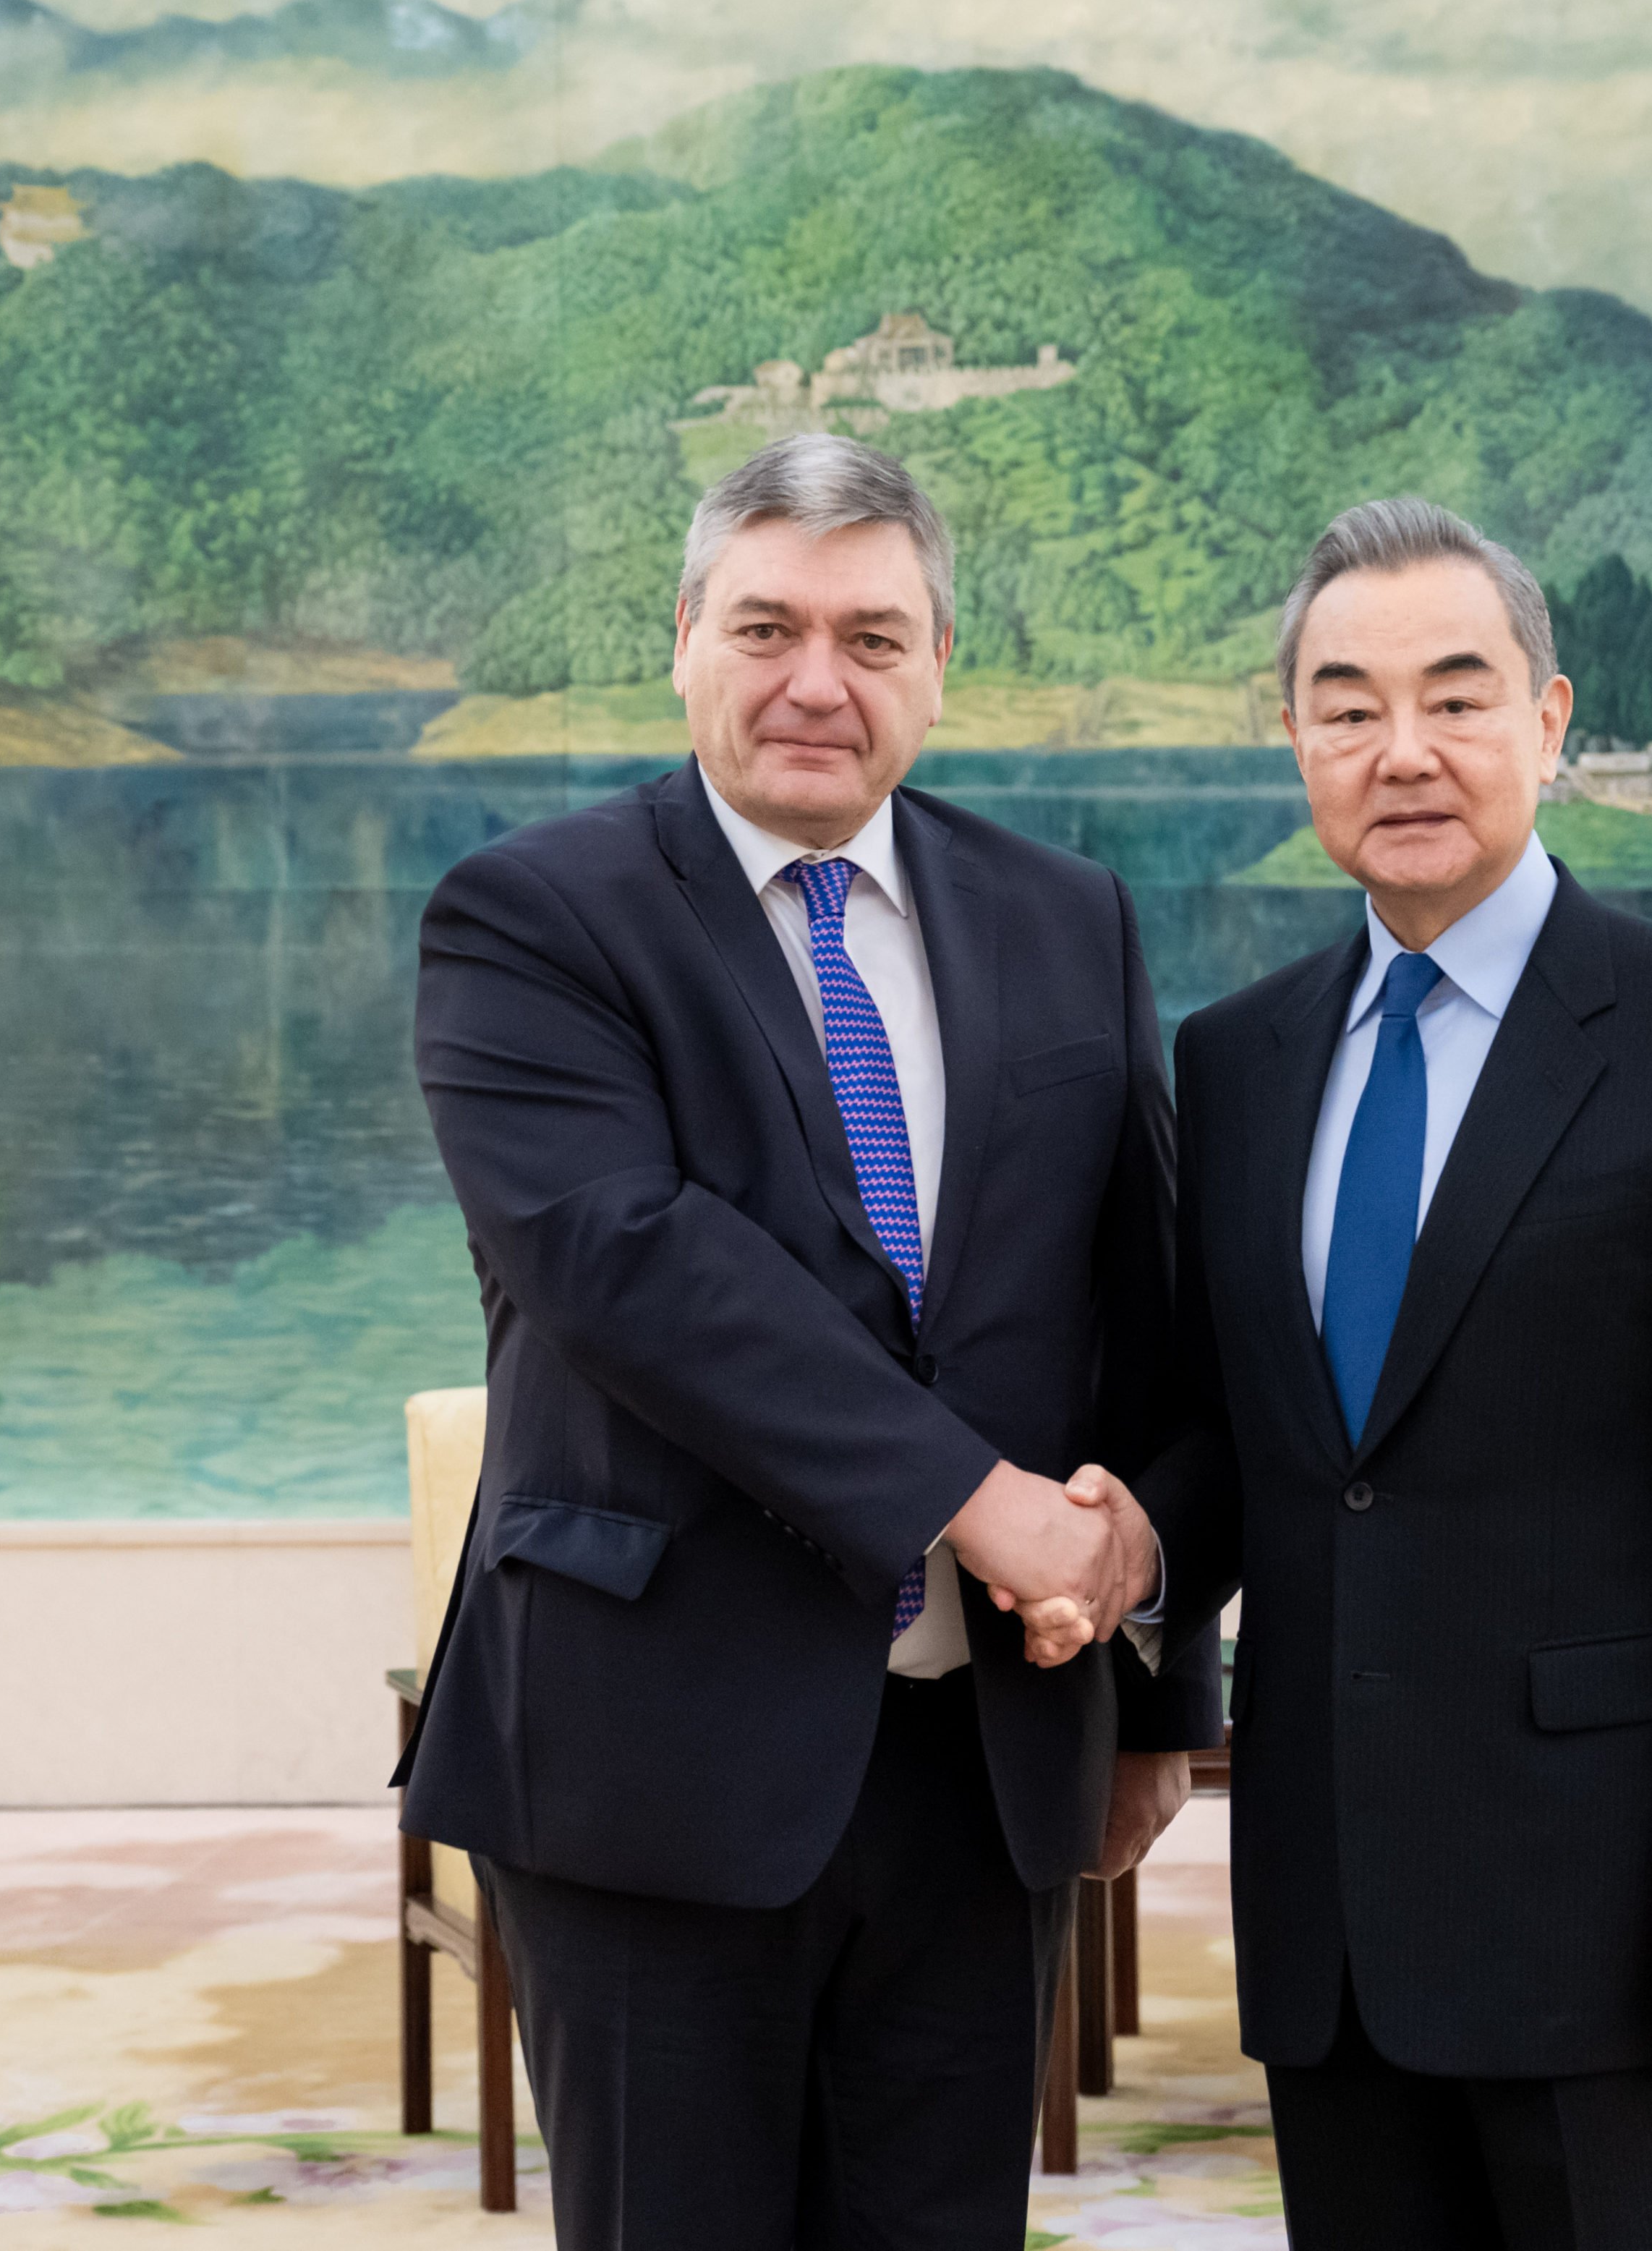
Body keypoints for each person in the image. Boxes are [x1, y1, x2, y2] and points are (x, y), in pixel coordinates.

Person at [393, 434, 1220, 2249]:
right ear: (683, 637)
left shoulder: (1064, 918)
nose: (814, 682)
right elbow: (633, 1264)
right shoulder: (534, 918)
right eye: (765, 625)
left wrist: (1157, 1689)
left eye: (871, 634)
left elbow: (1144, 1314)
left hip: (982, 1767)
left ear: (938, 664)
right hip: (650, 1762)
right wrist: (976, 1501)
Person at [1065, 498, 1652, 2247]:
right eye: (1346, 705)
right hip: (1329, 1913)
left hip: (1613, 1914)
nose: (1401, 750)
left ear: (1550, 720)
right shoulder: (1242, 1056)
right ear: (1293, 739)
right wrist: (1128, 1552)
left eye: (1455, 693)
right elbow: (1252, 1445)